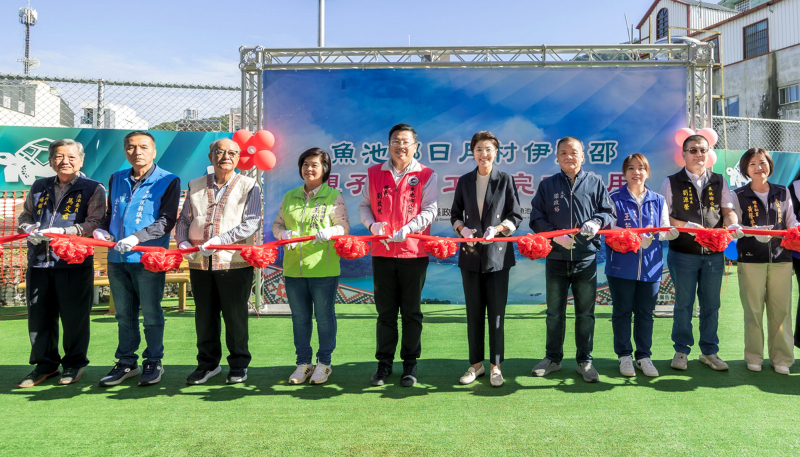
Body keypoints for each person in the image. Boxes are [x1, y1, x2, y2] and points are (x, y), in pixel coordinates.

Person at [15, 139, 106, 388]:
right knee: (39, 317)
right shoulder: (39, 186)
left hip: (73, 261)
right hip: (39, 261)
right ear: (50, 160)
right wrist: (28, 228)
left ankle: (74, 364)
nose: (64, 161)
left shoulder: (93, 188)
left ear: (81, 160)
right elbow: (25, 215)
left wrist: (64, 232)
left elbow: (95, 222)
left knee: (74, 317)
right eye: (58, 156)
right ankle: (45, 365)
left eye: (71, 157)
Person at [94, 131, 180, 387]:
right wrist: (103, 229)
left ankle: (153, 361)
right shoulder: (116, 178)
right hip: (117, 258)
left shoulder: (168, 180)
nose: (137, 152)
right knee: (124, 314)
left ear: (154, 151)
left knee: (151, 313)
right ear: (125, 151)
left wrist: (136, 237)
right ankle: (126, 362)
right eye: (131, 147)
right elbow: (111, 213)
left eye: (143, 147)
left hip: (148, 258)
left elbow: (166, 220)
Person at [358, 124, 438, 387]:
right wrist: (372, 226)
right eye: (396, 141)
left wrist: (409, 228)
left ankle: (410, 364)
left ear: (415, 146)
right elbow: (364, 205)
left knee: (412, 312)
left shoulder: (426, 174)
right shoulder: (374, 173)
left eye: (406, 141)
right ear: (389, 144)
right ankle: (384, 363)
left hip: (413, 252)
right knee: (385, 312)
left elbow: (430, 209)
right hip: (382, 252)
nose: (400, 146)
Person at [176, 138, 261, 385]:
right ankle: (207, 364)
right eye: (220, 152)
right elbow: (184, 220)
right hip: (200, 262)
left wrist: (220, 240)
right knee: (204, 316)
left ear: (239, 157)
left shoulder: (249, 185)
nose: (226, 157)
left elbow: (252, 222)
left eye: (232, 153)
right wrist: (182, 242)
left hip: (234, 262)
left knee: (235, 316)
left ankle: (238, 365)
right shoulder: (195, 185)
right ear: (210, 156)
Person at [529, 136, 614, 383]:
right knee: (554, 313)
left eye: (574, 152)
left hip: (585, 258)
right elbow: (536, 218)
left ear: (583, 156)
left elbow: (608, 212)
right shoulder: (547, 186)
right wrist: (555, 236)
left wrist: (596, 221)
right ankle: (553, 358)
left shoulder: (595, 182)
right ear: (557, 157)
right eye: (563, 153)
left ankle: (584, 361)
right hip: (556, 258)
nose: (569, 157)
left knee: (585, 314)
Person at [659, 134, 742, 372]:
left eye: (703, 150)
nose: (698, 154)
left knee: (711, 305)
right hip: (683, 253)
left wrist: (733, 224)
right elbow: (665, 217)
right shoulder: (671, 182)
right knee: (684, 305)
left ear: (708, 153)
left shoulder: (719, 180)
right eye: (693, 150)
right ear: (683, 154)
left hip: (714, 254)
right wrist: (686, 226)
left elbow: (727, 210)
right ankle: (681, 351)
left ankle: (709, 351)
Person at [272, 148, 349, 385]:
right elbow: (277, 225)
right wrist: (283, 234)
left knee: (324, 318)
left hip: (323, 269)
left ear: (325, 168)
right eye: (305, 164)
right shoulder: (290, 196)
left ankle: (324, 363)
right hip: (293, 269)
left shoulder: (333, 196)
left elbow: (344, 227)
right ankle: (303, 363)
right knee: (300, 318)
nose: (309, 169)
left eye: (315, 164)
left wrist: (331, 231)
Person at [450, 131, 522, 387]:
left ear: (496, 152)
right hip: (470, 255)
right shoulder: (465, 181)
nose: (484, 154)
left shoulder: (505, 179)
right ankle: (476, 365)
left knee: (497, 314)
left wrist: (498, 229)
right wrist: (462, 230)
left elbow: (515, 216)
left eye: (488, 149)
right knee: (473, 313)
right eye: (479, 149)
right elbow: (455, 214)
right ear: (472, 152)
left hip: (497, 257)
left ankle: (496, 366)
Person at [605, 153, 674, 378]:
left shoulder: (658, 200)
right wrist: (634, 238)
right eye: (631, 168)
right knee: (622, 312)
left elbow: (663, 228)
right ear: (624, 173)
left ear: (647, 172)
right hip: (621, 266)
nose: (637, 172)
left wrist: (668, 233)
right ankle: (624, 356)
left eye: (641, 168)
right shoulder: (613, 198)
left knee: (645, 313)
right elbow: (609, 229)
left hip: (651, 266)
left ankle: (644, 356)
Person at [733, 148, 796, 374]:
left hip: (781, 259)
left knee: (782, 311)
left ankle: (782, 359)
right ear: (745, 169)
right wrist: (753, 232)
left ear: (770, 165)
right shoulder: (738, 195)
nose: (759, 167)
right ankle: (754, 357)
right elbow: (735, 226)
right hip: (751, 260)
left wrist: (795, 228)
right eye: (752, 164)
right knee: (753, 310)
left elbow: (790, 219)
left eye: (763, 162)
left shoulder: (782, 191)